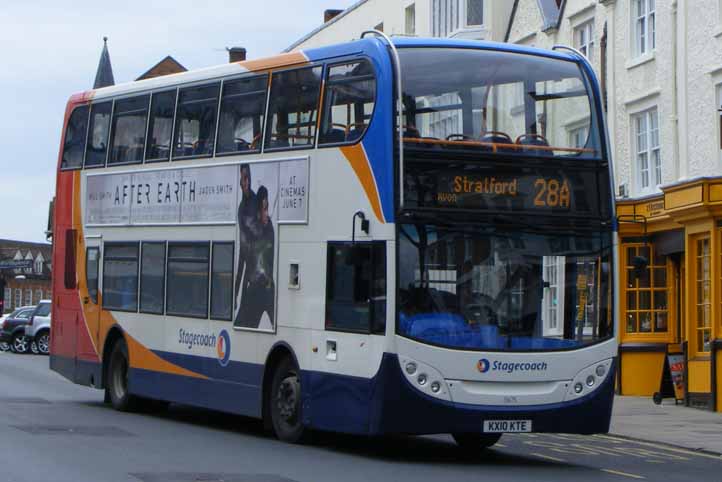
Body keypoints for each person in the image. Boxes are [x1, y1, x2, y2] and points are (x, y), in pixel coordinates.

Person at [236, 185, 275, 329]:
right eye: (263, 209)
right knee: (241, 326)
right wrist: (241, 298)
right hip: (254, 291)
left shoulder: (268, 228)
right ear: (257, 212)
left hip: (268, 288)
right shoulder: (251, 233)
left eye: (267, 208)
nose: (266, 214)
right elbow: (244, 265)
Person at [234, 164, 257, 324]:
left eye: (248, 177)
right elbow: (241, 260)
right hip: (246, 262)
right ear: (240, 182)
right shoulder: (241, 209)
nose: (246, 181)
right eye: (244, 178)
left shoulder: (256, 202)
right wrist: (235, 294)